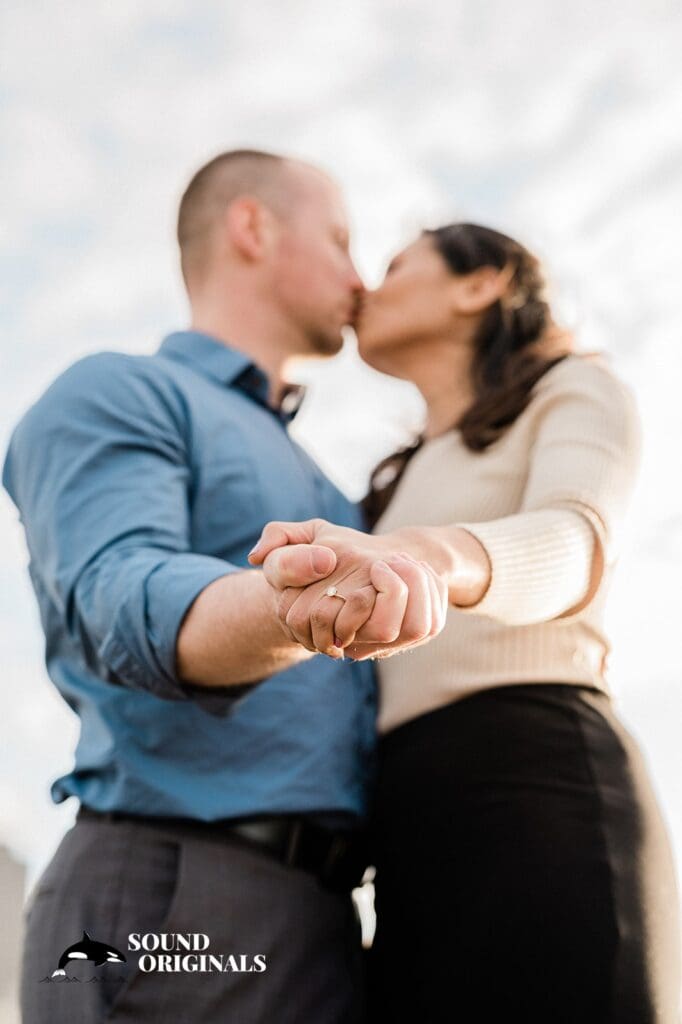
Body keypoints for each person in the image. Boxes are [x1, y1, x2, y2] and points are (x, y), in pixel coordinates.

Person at [2, 150, 448, 1024]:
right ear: (253, 228)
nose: (359, 280)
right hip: (172, 894)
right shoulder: (121, 392)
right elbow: (122, 592)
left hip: (319, 921)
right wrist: (291, 607)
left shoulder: (326, 489)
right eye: (340, 240)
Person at [249, 223, 681, 1022]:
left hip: (537, 783)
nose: (363, 291)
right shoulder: (389, 484)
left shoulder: (573, 388)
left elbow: (575, 537)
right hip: (407, 823)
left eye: (392, 266)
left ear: (479, 284)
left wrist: (434, 557)